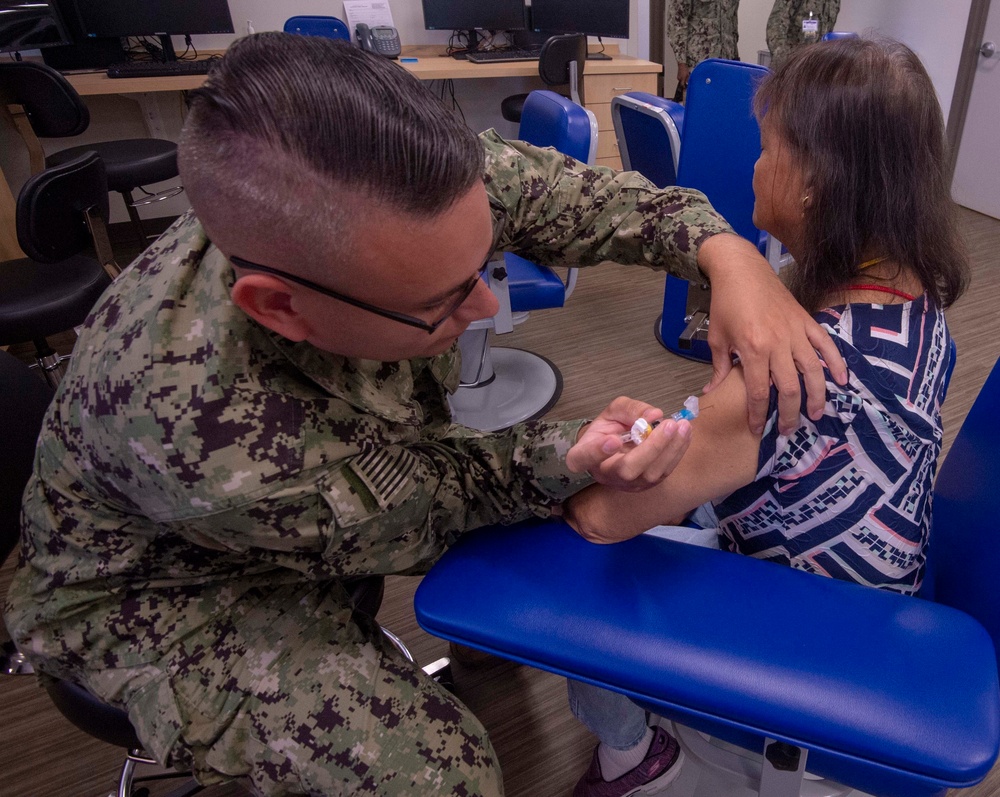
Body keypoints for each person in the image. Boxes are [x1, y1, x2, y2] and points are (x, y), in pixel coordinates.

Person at [3, 32, 846, 797]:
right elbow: (441, 498)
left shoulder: (387, 187)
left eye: (486, 261)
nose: (485, 307)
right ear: (281, 307)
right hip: (174, 594)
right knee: (442, 776)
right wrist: (575, 456)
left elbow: (584, 200)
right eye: (441, 300)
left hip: (345, 500)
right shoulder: (216, 442)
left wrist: (726, 254)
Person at [562, 36, 969, 797]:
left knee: (568, 553)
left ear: (815, 182)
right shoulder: (919, 301)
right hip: (881, 593)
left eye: (766, 147)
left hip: (798, 631)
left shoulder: (778, 384)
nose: (753, 165)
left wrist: (599, 456)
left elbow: (599, 517)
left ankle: (632, 755)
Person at [666, 0, 741, 95]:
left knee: (724, 105)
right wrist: (681, 63)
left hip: (727, 62)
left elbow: (733, 21)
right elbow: (677, 22)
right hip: (699, 62)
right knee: (699, 105)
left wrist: (735, 58)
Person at [766, 0, 841, 64]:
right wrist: (787, 61)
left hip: (815, 65)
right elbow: (775, 27)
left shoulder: (834, 1)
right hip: (790, 65)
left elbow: (827, 31)